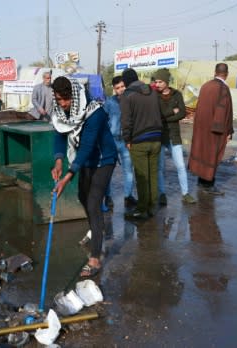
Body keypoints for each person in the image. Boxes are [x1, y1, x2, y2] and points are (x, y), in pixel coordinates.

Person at [50, 76, 117, 277]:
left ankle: (95, 258)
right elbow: (59, 135)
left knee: (93, 203)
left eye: (66, 99)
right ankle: (96, 230)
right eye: (59, 99)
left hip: (103, 159)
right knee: (82, 196)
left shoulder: (94, 113)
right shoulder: (62, 112)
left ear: (75, 95)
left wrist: (67, 176)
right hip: (85, 161)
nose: (63, 104)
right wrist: (59, 160)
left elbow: (87, 146)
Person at [120, 68, 163, 219]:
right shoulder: (152, 92)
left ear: (125, 82)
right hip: (156, 138)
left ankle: (141, 209)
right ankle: (152, 206)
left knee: (142, 176)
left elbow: (126, 121)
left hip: (139, 140)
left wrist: (127, 139)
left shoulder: (127, 95)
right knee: (153, 174)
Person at [188, 63, 234, 195]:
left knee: (202, 152)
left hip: (202, 127)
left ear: (215, 72)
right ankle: (208, 185)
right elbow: (225, 111)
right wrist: (228, 131)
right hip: (215, 129)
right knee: (212, 155)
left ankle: (201, 181)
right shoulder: (223, 88)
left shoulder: (205, 86)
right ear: (226, 74)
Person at [153, 68, 196, 205]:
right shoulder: (154, 96)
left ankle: (185, 193)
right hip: (159, 135)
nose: (157, 84)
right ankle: (162, 194)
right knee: (160, 168)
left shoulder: (177, 94)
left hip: (174, 135)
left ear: (166, 82)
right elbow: (157, 115)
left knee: (180, 166)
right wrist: (172, 111)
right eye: (156, 81)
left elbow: (182, 113)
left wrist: (166, 117)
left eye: (160, 81)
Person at [103, 75, 137, 208]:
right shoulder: (109, 103)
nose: (121, 89)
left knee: (128, 170)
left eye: (123, 86)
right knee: (108, 171)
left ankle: (128, 196)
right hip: (112, 141)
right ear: (114, 89)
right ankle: (108, 197)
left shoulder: (132, 101)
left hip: (126, 141)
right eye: (118, 88)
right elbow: (103, 120)